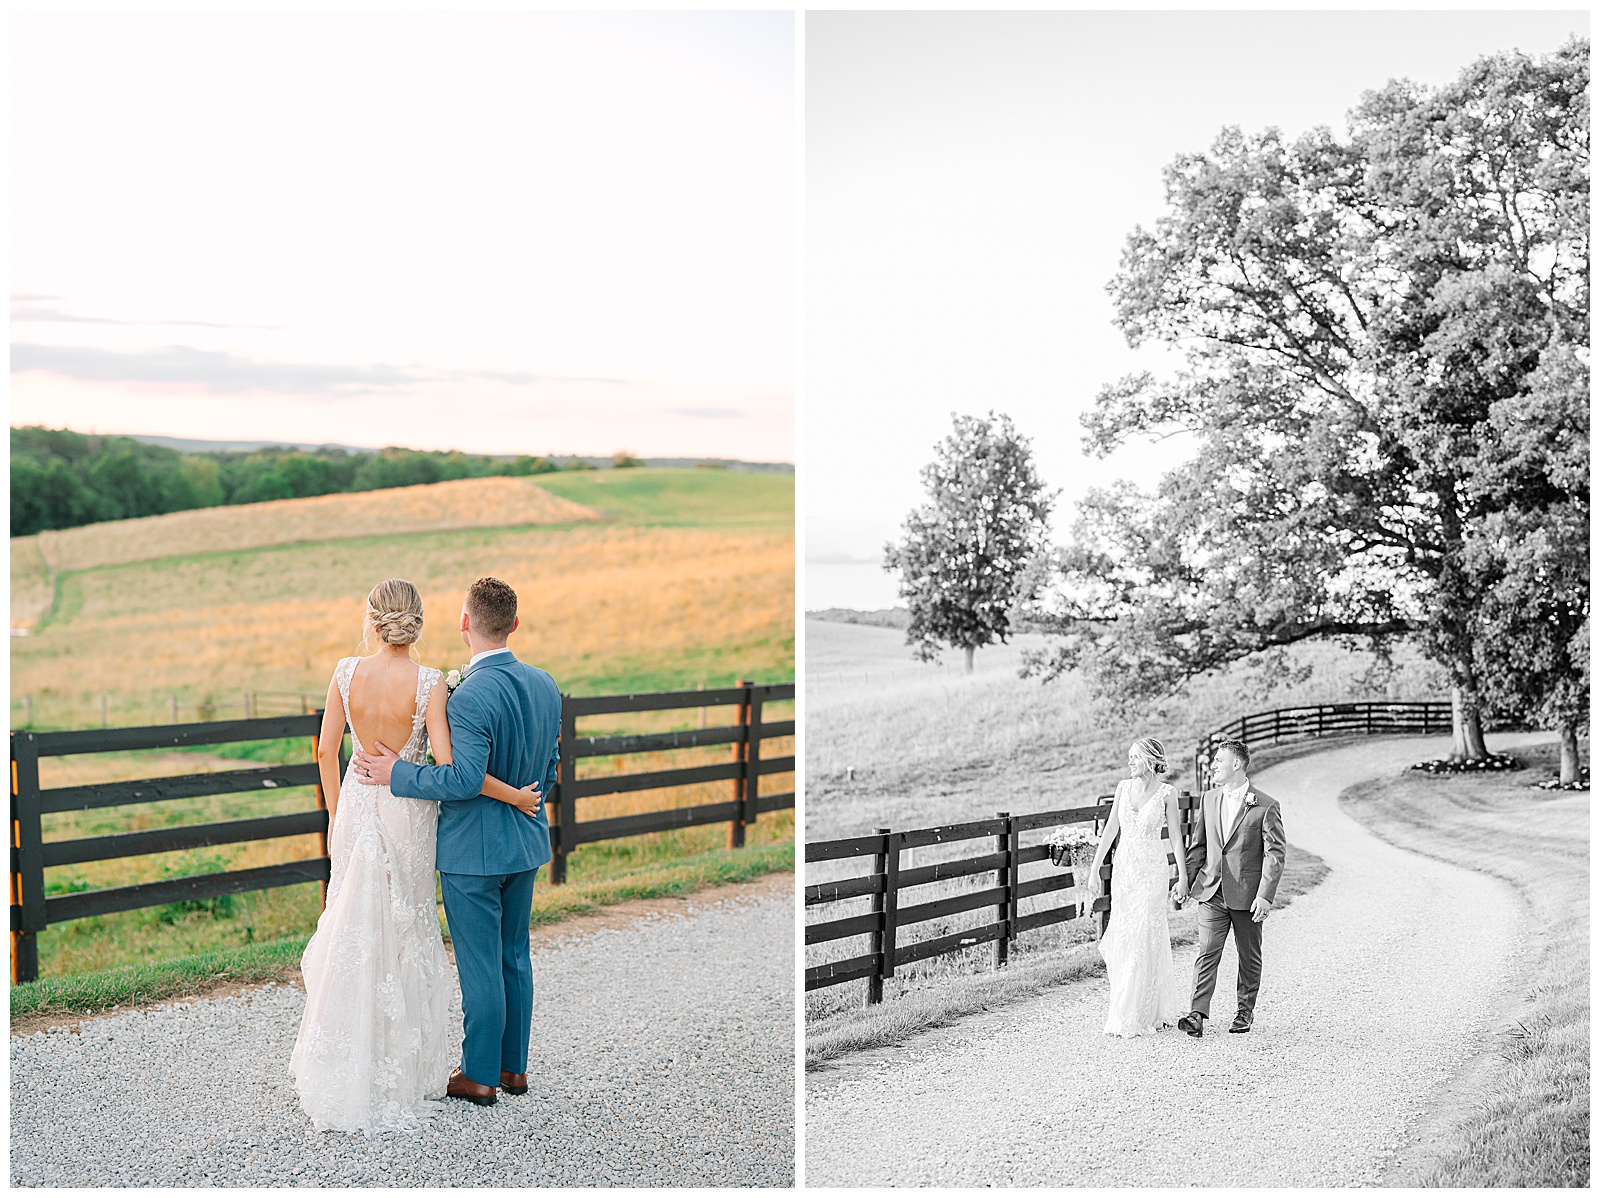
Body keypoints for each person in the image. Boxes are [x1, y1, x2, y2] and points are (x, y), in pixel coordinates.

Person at [289, 578, 542, 1134]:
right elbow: (456, 773)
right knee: (405, 924)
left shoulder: (343, 672)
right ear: (421, 622)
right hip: (406, 810)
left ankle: (341, 1056)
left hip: (356, 802)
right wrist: (520, 795)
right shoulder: (431, 684)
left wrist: (336, 815)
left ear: (373, 620)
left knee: (354, 923)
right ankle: (409, 1062)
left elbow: (327, 749)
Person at [355, 576, 560, 1108]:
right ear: (514, 624)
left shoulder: (468, 696)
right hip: (527, 843)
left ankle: (478, 1075)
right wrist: (527, 800)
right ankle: (514, 1068)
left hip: (474, 852)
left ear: (466, 623)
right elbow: (550, 767)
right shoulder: (544, 685)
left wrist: (397, 773)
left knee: (480, 963)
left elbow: (464, 779)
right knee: (515, 954)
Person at [1177, 738, 1286, 1037]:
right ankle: (1197, 1013)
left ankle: (1244, 1011)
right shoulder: (1209, 799)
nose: (1212, 765)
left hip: (1248, 895)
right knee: (1207, 951)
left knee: (1248, 955)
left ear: (1236, 764)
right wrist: (1185, 880)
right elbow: (1198, 846)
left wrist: (1265, 895)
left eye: (1218, 760)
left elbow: (1274, 854)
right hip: (1211, 891)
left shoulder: (1266, 805)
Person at [1088, 736, 1188, 1037]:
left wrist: (1182, 876)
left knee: (1145, 933)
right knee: (1127, 935)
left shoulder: (1168, 794)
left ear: (1150, 759)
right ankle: (1133, 1008)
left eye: (1135, 757)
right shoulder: (1122, 788)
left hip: (1153, 872)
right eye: (1130, 757)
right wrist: (1095, 868)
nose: (1130, 762)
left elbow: (1175, 837)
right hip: (1125, 872)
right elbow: (1110, 830)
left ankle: (1132, 1013)